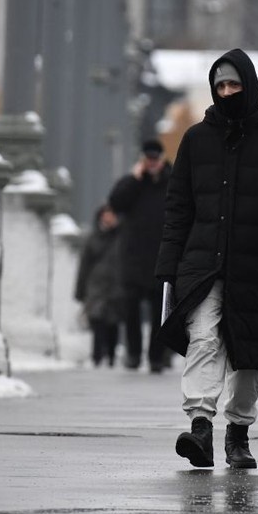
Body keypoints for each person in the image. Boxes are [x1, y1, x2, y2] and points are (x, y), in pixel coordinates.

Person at [155, 48, 258, 469]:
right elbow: (178, 208)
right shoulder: (195, 140)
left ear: (249, 86)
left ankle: (237, 434)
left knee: (248, 354)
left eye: (233, 85)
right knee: (204, 339)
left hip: (255, 267)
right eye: (219, 86)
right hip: (202, 265)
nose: (226, 92)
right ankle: (200, 427)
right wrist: (167, 264)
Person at [108, 139, 171, 373]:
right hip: (133, 258)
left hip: (161, 256)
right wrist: (135, 179)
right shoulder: (132, 182)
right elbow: (116, 203)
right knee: (130, 308)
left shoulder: (173, 181)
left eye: (155, 158)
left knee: (159, 312)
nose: (152, 163)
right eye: (148, 158)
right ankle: (133, 354)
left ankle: (156, 357)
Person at [74, 204, 125, 367]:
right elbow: (84, 265)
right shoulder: (93, 238)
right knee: (97, 321)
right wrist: (80, 290)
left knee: (113, 323)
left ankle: (110, 356)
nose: (109, 218)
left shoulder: (122, 237)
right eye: (106, 214)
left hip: (116, 286)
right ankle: (97, 356)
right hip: (96, 286)